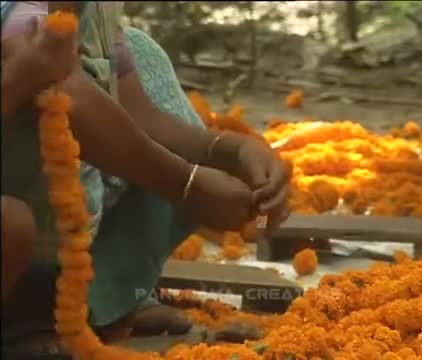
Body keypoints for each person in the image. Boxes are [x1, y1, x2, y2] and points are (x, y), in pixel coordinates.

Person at [1, 1, 290, 357]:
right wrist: (187, 186)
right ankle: (28, 309)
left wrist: (233, 151)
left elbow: (141, 118)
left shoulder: (96, 14)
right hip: (24, 224)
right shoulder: (21, 18)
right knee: (13, 220)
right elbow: (68, 94)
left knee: (143, 54)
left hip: (72, 221)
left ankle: (115, 295)